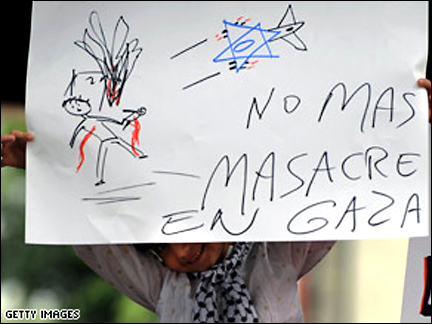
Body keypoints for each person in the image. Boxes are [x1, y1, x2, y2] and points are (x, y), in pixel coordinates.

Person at [1, 78, 431, 323]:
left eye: (186, 229)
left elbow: (341, 188)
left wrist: (409, 121)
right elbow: (93, 236)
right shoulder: (162, 285)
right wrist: (42, 169)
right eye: (161, 247)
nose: (182, 252)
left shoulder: (275, 256)